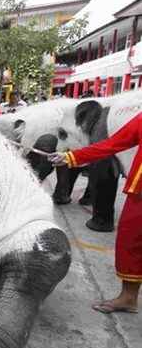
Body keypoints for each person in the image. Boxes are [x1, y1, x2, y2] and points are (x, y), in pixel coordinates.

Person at [49, 113, 142, 314]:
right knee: (130, 240)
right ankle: (128, 297)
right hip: (140, 192)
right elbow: (112, 144)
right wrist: (70, 157)